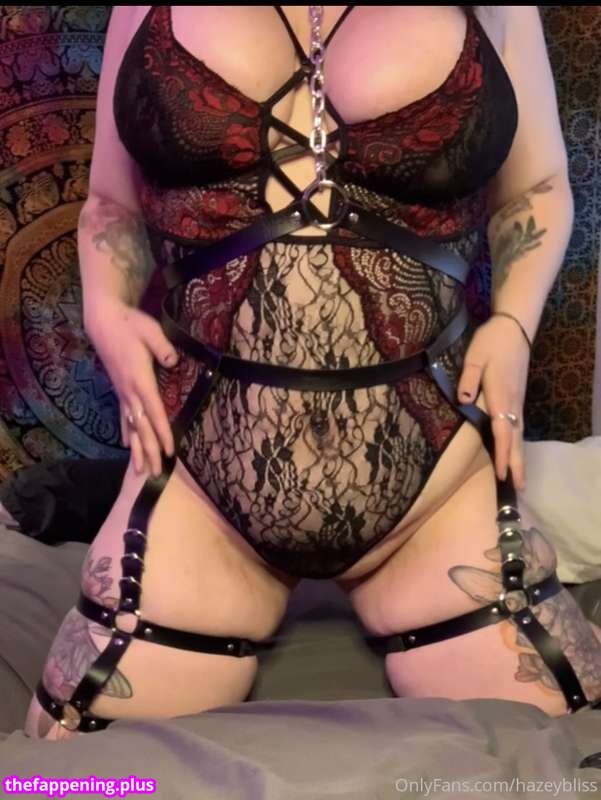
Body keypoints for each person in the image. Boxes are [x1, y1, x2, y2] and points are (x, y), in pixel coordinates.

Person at [25, 5, 601, 740]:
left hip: (434, 485)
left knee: (569, 753)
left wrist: (515, 325)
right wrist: (106, 310)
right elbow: (110, 202)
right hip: (199, 482)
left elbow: (537, 187)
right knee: (66, 773)